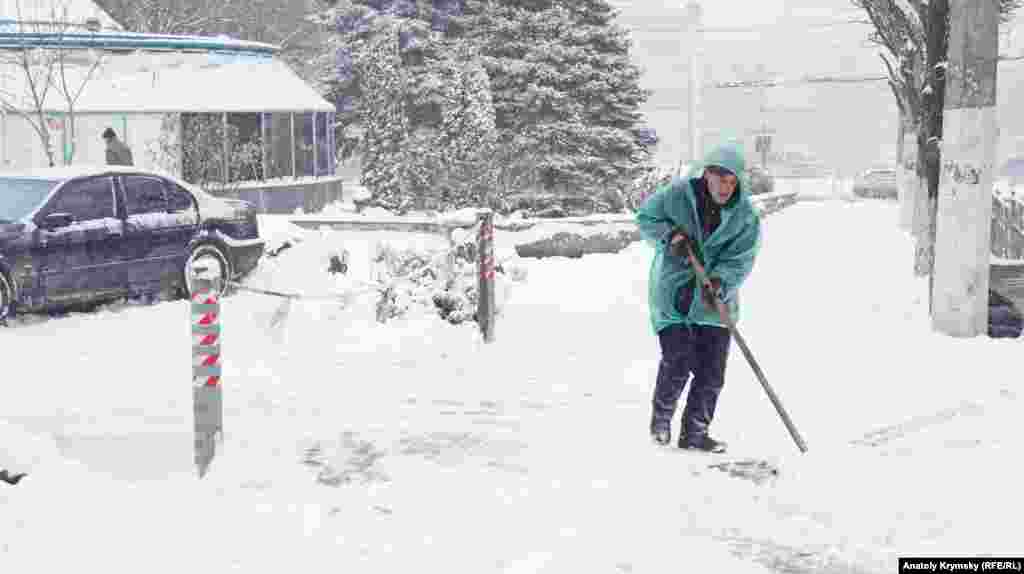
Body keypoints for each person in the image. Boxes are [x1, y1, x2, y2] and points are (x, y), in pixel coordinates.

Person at [636, 140, 762, 453]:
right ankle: (661, 420)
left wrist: (720, 281)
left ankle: (695, 432)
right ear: (706, 174)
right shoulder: (678, 195)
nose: (725, 187)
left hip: (714, 302)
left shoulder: (745, 215)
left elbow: (742, 257)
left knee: (711, 373)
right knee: (678, 361)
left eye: (732, 182)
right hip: (675, 296)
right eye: (720, 179)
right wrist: (671, 237)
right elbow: (646, 218)